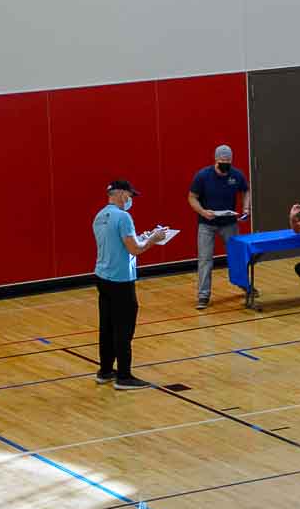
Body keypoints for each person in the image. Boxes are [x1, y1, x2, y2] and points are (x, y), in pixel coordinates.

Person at [92, 179, 174, 389]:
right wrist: (153, 239)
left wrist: (142, 238)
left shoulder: (100, 216)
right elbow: (134, 250)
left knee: (107, 326)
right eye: (128, 196)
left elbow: (119, 244)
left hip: (103, 276)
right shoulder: (123, 217)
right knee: (124, 328)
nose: (130, 200)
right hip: (121, 280)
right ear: (119, 194)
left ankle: (106, 370)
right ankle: (124, 376)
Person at [188, 143, 250, 311]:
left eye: (228, 161)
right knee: (205, 260)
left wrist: (246, 208)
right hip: (207, 224)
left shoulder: (236, 175)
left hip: (229, 223)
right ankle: (203, 295)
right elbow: (192, 198)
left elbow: (246, 191)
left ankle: (246, 287)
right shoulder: (203, 176)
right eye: (222, 160)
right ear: (216, 160)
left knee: (236, 257)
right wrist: (202, 211)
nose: (225, 164)